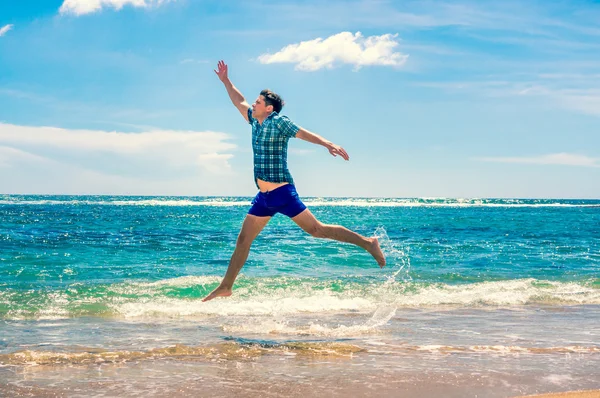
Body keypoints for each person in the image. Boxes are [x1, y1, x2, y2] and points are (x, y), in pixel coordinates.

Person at [202, 60, 386, 302]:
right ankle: (226, 286)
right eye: (256, 101)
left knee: (317, 230)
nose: (254, 103)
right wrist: (226, 80)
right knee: (243, 239)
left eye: (258, 101)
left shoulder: (279, 122)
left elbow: (302, 132)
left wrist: (327, 144)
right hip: (264, 197)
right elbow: (238, 100)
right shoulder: (254, 121)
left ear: (269, 108)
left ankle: (368, 243)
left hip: (282, 192)